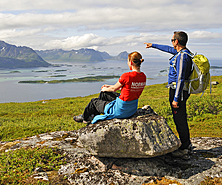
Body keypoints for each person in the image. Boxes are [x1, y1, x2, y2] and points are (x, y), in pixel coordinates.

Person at [144, 31, 193, 159]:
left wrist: (176, 99)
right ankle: (186, 144)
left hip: (178, 91)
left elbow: (181, 78)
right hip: (179, 90)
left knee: (180, 119)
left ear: (176, 41)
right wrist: (153, 45)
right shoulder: (182, 53)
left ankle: (185, 147)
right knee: (180, 118)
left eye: (172, 40)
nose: (171, 43)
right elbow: (168, 49)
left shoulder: (182, 56)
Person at [73, 51, 147, 124]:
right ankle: (93, 114)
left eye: (127, 61)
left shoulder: (127, 76)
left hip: (121, 110)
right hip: (131, 108)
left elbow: (114, 89)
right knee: (105, 94)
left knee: (93, 102)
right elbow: (126, 88)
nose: (127, 63)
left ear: (131, 62)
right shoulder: (143, 76)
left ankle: (85, 118)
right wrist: (108, 87)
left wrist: (104, 89)